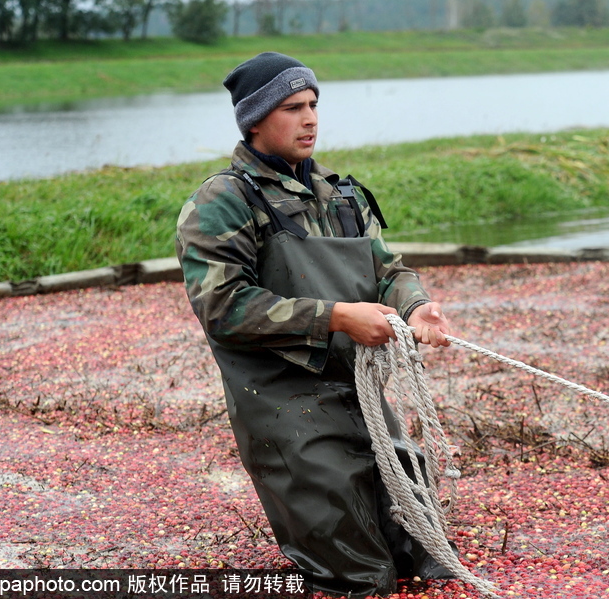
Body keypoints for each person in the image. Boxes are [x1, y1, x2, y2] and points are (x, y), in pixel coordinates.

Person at [175, 52, 454, 598]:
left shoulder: (342, 194)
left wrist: (416, 306)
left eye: (313, 105)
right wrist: (337, 317)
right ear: (254, 121)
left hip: (361, 398)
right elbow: (224, 307)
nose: (310, 120)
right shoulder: (222, 202)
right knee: (359, 577)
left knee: (426, 554)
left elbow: (388, 271)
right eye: (292, 108)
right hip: (283, 405)